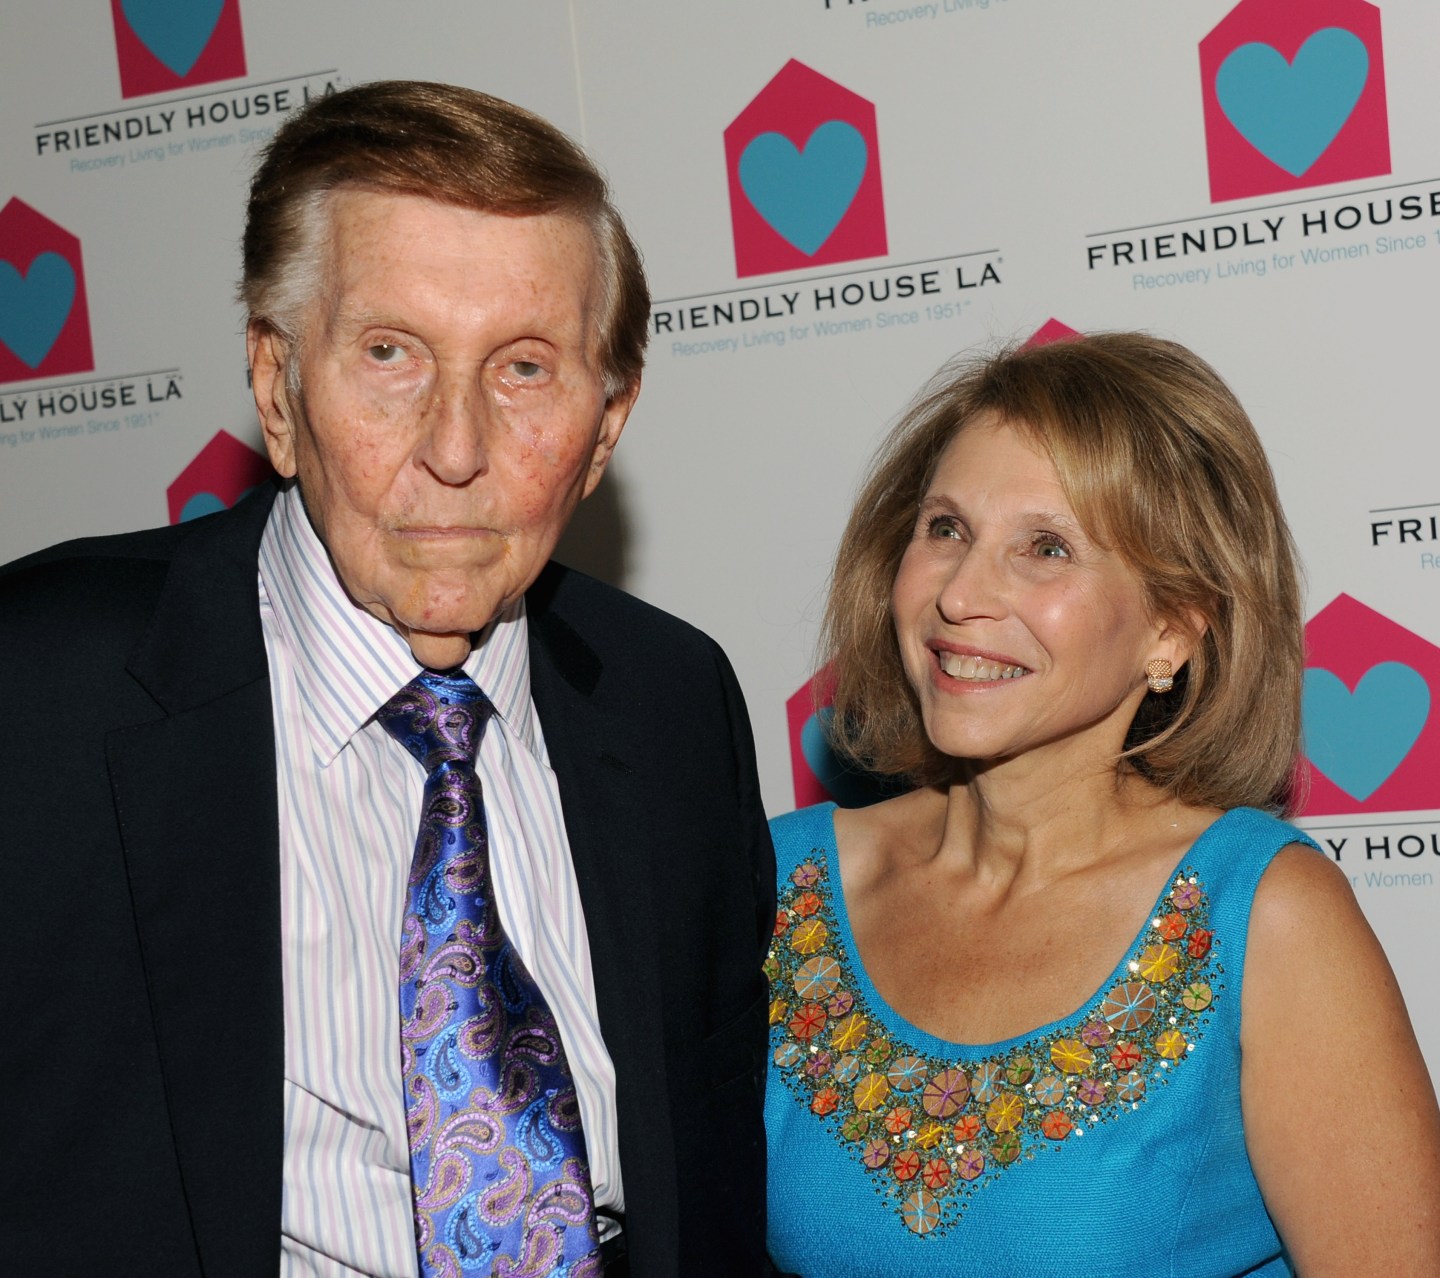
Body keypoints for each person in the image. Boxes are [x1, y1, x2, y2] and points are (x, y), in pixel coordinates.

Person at [0, 82, 774, 1277]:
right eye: (389, 353)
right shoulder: (41, 690)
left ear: (607, 425)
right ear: (277, 388)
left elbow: (712, 1188)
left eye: (525, 369)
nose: (455, 449)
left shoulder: (671, 700)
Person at [763, 333, 1440, 1276]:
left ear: (1172, 629)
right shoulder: (777, 880)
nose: (960, 595)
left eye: (1047, 549)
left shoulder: (1259, 915)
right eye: (945, 529)